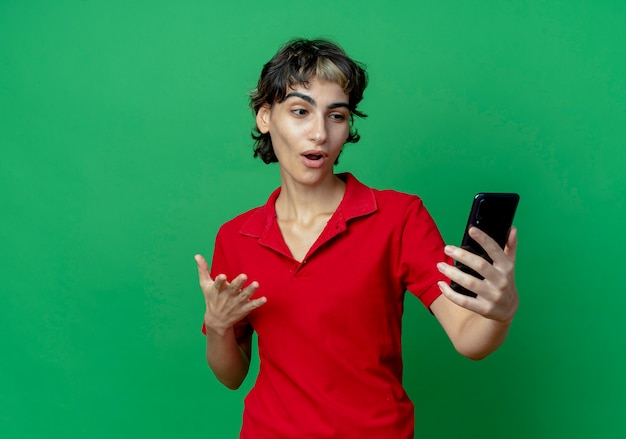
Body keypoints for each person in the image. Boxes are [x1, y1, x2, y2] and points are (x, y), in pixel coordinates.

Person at [195, 38, 519, 439]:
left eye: (336, 115)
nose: (319, 133)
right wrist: (219, 326)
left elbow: (470, 340)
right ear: (265, 117)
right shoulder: (236, 236)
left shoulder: (398, 217)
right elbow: (232, 375)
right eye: (300, 111)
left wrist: (499, 313)